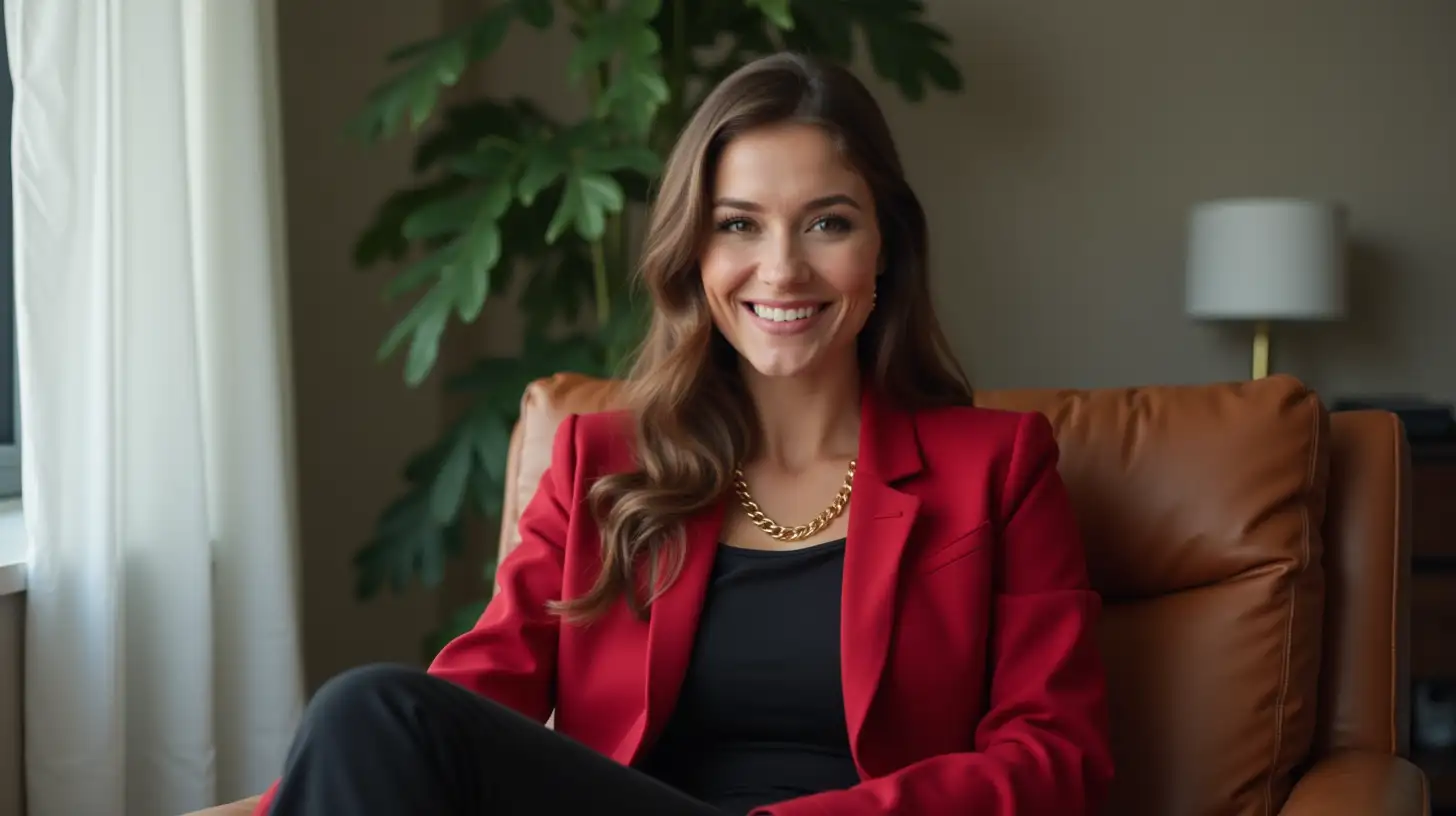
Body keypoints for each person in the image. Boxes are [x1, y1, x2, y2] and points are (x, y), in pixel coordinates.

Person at [257, 51, 1113, 816]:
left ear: (884, 246)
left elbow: (1057, 760)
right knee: (370, 708)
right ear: (693, 253)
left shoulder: (997, 469)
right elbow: (466, 706)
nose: (781, 268)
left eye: (828, 222)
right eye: (738, 224)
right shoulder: (600, 465)